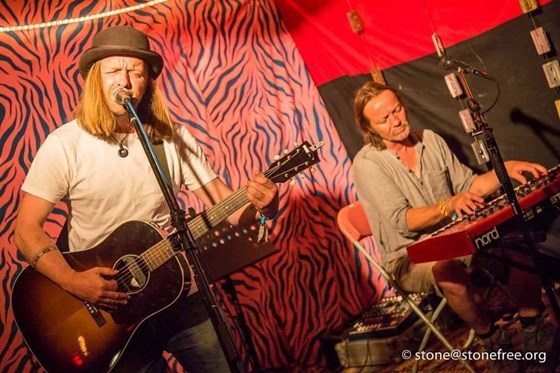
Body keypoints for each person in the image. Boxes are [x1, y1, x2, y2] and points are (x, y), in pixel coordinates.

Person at [14, 25, 279, 372]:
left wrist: (263, 207)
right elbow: (26, 231)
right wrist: (73, 281)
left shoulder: (171, 138)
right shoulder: (64, 145)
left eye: (135, 72)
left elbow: (225, 206)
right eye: (113, 71)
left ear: (147, 83)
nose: (124, 81)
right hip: (105, 310)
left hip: (178, 292)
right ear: (96, 78)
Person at [351, 81, 556, 372]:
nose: (396, 120)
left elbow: (469, 185)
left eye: (397, 110)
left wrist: (504, 169)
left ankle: (534, 326)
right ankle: (492, 339)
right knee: (447, 270)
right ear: (369, 128)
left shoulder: (430, 140)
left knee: (514, 240)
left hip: (456, 239)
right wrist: (449, 205)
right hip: (409, 256)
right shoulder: (367, 164)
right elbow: (404, 220)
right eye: (384, 119)